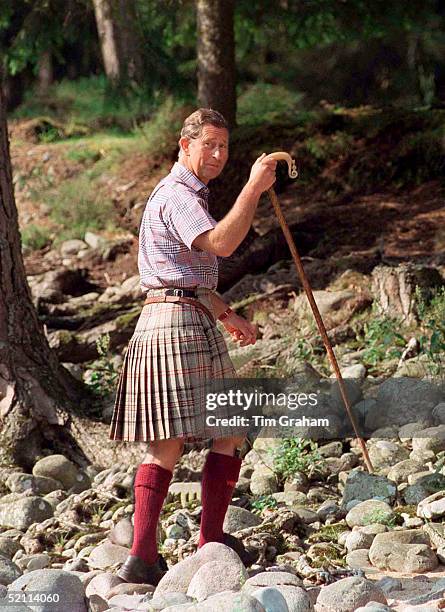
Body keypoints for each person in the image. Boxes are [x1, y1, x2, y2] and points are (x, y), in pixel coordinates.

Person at [110, 108, 277, 585]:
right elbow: (222, 245)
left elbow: (189, 275)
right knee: (207, 434)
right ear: (184, 146)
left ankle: (156, 553)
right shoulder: (179, 196)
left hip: (179, 316)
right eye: (209, 145)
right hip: (177, 325)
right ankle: (199, 542)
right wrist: (253, 188)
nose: (218, 155)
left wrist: (227, 315)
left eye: (224, 146)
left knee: (196, 434)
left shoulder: (183, 194)